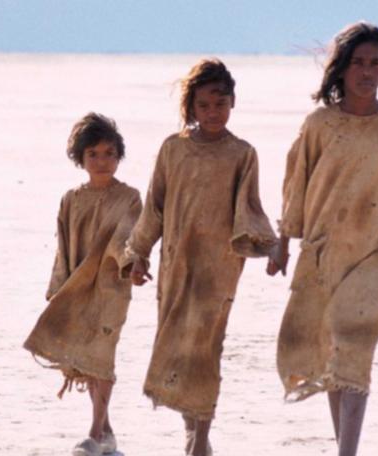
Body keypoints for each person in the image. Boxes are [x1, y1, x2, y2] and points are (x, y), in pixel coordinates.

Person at [267, 22, 378, 456]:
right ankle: (344, 448)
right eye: (358, 63)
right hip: (326, 251)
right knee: (335, 353)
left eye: (375, 63)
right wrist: (283, 241)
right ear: (342, 68)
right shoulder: (319, 124)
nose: (366, 72)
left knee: (354, 349)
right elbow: (297, 183)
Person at [123, 58, 276, 456]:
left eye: (221, 103)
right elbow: (155, 207)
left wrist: (270, 245)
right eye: (205, 105)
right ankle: (194, 431)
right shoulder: (174, 149)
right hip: (177, 262)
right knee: (178, 344)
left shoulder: (242, 154)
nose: (213, 112)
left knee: (207, 347)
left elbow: (251, 207)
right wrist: (138, 253)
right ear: (191, 106)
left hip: (219, 267)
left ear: (233, 103)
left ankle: (200, 439)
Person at [24, 113, 142, 456]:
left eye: (109, 153)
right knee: (87, 357)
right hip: (77, 287)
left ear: (119, 155)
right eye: (93, 154)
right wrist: (58, 288)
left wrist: (132, 264)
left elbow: (129, 237)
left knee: (102, 354)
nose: (102, 161)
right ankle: (106, 433)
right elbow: (63, 245)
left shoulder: (130, 197)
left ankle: (93, 433)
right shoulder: (71, 199)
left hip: (111, 288)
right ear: (80, 159)